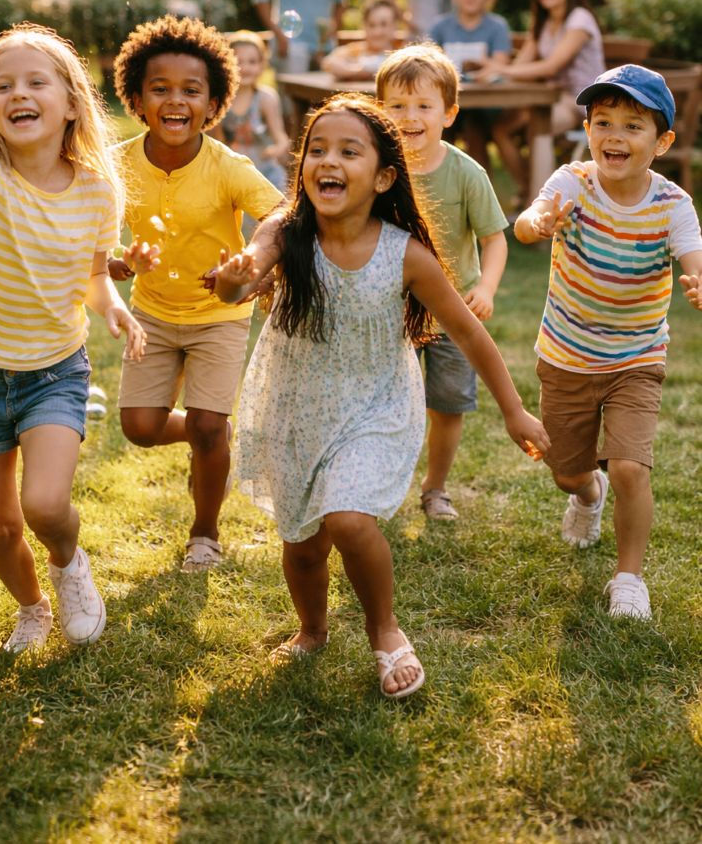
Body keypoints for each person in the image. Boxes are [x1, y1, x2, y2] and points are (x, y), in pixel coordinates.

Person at [213, 95, 548, 698]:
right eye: (317, 149)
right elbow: (245, 280)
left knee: (347, 517)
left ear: (384, 176)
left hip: (376, 405)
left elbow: (469, 331)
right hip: (297, 406)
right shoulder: (285, 233)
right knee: (304, 543)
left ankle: (385, 631)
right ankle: (312, 630)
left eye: (348, 151)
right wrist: (236, 280)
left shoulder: (405, 255)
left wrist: (515, 408)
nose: (327, 161)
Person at [0, 23, 147, 654]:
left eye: (34, 82)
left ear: (72, 103)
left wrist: (113, 308)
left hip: (53, 371)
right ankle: (31, 608)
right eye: (2, 86)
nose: (17, 93)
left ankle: (68, 562)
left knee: (46, 506)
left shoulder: (98, 191)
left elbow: (92, 274)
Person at [514, 65, 702, 619]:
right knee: (569, 472)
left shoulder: (672, 204)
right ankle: (585, 495)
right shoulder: (572, 182)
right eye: (603, 122)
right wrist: (539, 220)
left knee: (628, 467)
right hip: (566, 354)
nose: (614, 136)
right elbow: (528, 220)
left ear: (662, 141)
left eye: (632, 126)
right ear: (588, 128)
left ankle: (628, 578)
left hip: (636, 357)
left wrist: (697, 277)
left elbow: (693, 253)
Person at [109, 16, 285, 572]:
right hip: (153, 313)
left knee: (209, 426)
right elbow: (88, 225)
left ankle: (204, 533)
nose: (175, 101)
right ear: (136, 98)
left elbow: (282, 212)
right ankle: (213, 434)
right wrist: (116, 262)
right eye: (160, 89)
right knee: (138, 427)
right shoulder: (117, 165)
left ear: (213, 104)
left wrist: (251, 263)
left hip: (218, 314)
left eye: (191, 90)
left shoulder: (228, 167)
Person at [376, 46, 509, 521]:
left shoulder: (466, 172)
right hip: (391, 312)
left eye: (424, 106)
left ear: (449, 113)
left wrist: (487, 288)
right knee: (389, 408)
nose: (410, 116)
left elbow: (495, 240)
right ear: (379, 111)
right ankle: (381, 488)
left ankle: (435, 488)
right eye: (397, 105)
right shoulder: (378, 173)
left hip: (454, 316)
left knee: (448, 406)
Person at [477, 0, 605, 205]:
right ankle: (533, 193)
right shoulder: (543, 22)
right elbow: (520, 65)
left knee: (537, 125)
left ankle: (540, 202)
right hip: (548, 99)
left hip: (583, 103)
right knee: (500, 128)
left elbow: (552, 65)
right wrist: (494, 71)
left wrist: (503, 70)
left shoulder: (580, 20)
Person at [431, 0, 512, 169]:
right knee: (442, 125)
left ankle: (480, 187)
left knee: (473, 126)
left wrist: (484, 66)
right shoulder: (440, 26)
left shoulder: (497, 26)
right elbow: (427, 63)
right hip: (448, 98)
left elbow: (500, 63)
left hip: (486, 101)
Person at [214, 30, 289, 192]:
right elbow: (218, 141)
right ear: (225, 63)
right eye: (238, 62)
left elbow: (280, 137)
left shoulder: (266, 99)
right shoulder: (221, 100)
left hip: (265, 172)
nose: (245, 67)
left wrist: (277, 149)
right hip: (233, 171)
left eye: (252, 62)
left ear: (262, 64)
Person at [320, 0, 401, 81]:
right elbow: (328, 63)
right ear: (364, 26)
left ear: (395, 26)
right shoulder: (355, 50)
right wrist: (359, 71)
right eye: (371, 25)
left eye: (384, 24)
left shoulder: (400, 56)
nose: (377, 32)